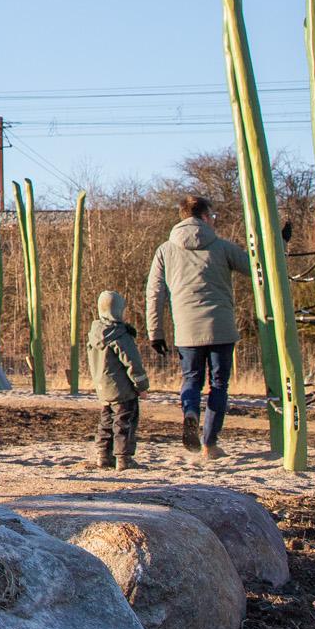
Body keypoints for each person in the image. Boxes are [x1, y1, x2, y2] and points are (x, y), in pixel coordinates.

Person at [144, 194, 250, 460]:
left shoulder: (165, 250)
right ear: (204, 216)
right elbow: (256, 267)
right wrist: (279, 245)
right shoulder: (222, 247)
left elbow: (154, 293)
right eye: (212, 216)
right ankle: (209, 443)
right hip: (221, 327)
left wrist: (155, 332)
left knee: (191, 379)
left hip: (187, 329)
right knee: (219, 385)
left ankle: (190, 411)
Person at [85, 289, 152, 470]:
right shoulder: (119, 335)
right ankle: (124, 458)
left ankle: (103, 456)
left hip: (104, 388)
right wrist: (141, 385)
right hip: (123, 389)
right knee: (125, 422)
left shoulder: (94, 334)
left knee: (106, 422)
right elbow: (132, 362)